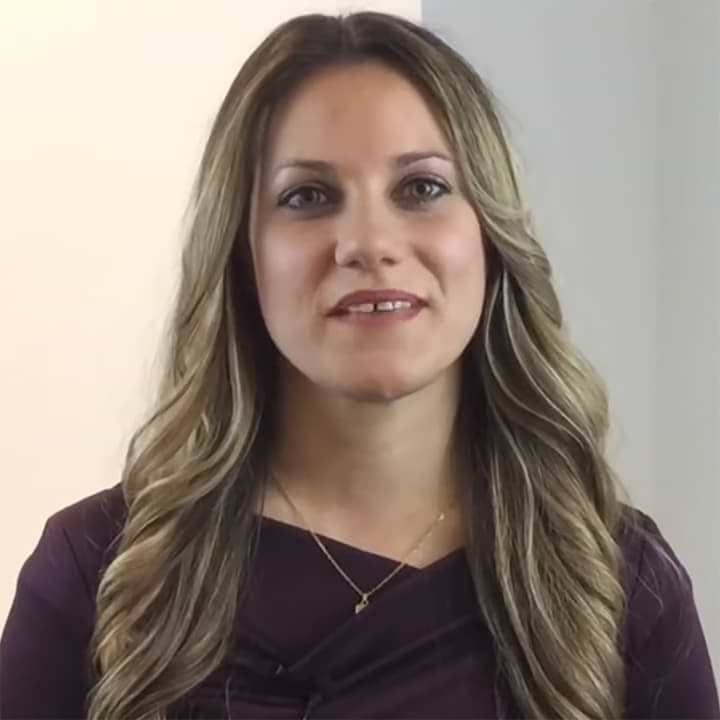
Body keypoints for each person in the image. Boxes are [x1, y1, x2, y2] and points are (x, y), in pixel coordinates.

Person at [1, 10, 718, 720]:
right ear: (242, 255)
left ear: (491, 236)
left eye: (422, 188)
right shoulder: (96, 574)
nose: (370, 242)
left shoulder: (617, 586)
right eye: (308, 197)